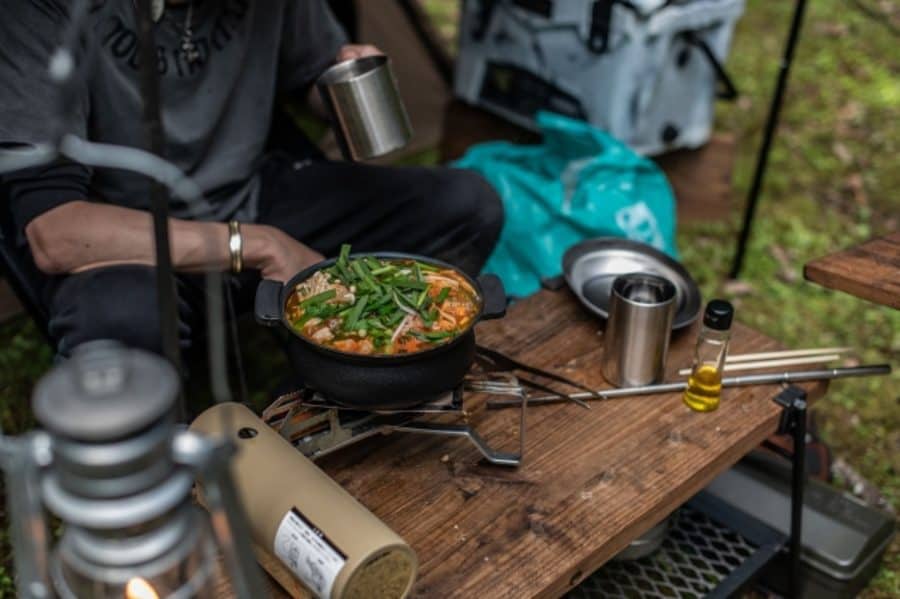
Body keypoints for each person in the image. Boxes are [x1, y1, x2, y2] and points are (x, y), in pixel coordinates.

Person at [0, 0, 503, 356]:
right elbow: (56, 233)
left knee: (466, 205)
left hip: (253, 195)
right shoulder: (40, 11)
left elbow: (308, 71)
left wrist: (345, 80)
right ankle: (163, 480)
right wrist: (255, 244)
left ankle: (336, 388)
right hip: (130, 245)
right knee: (120, 321)